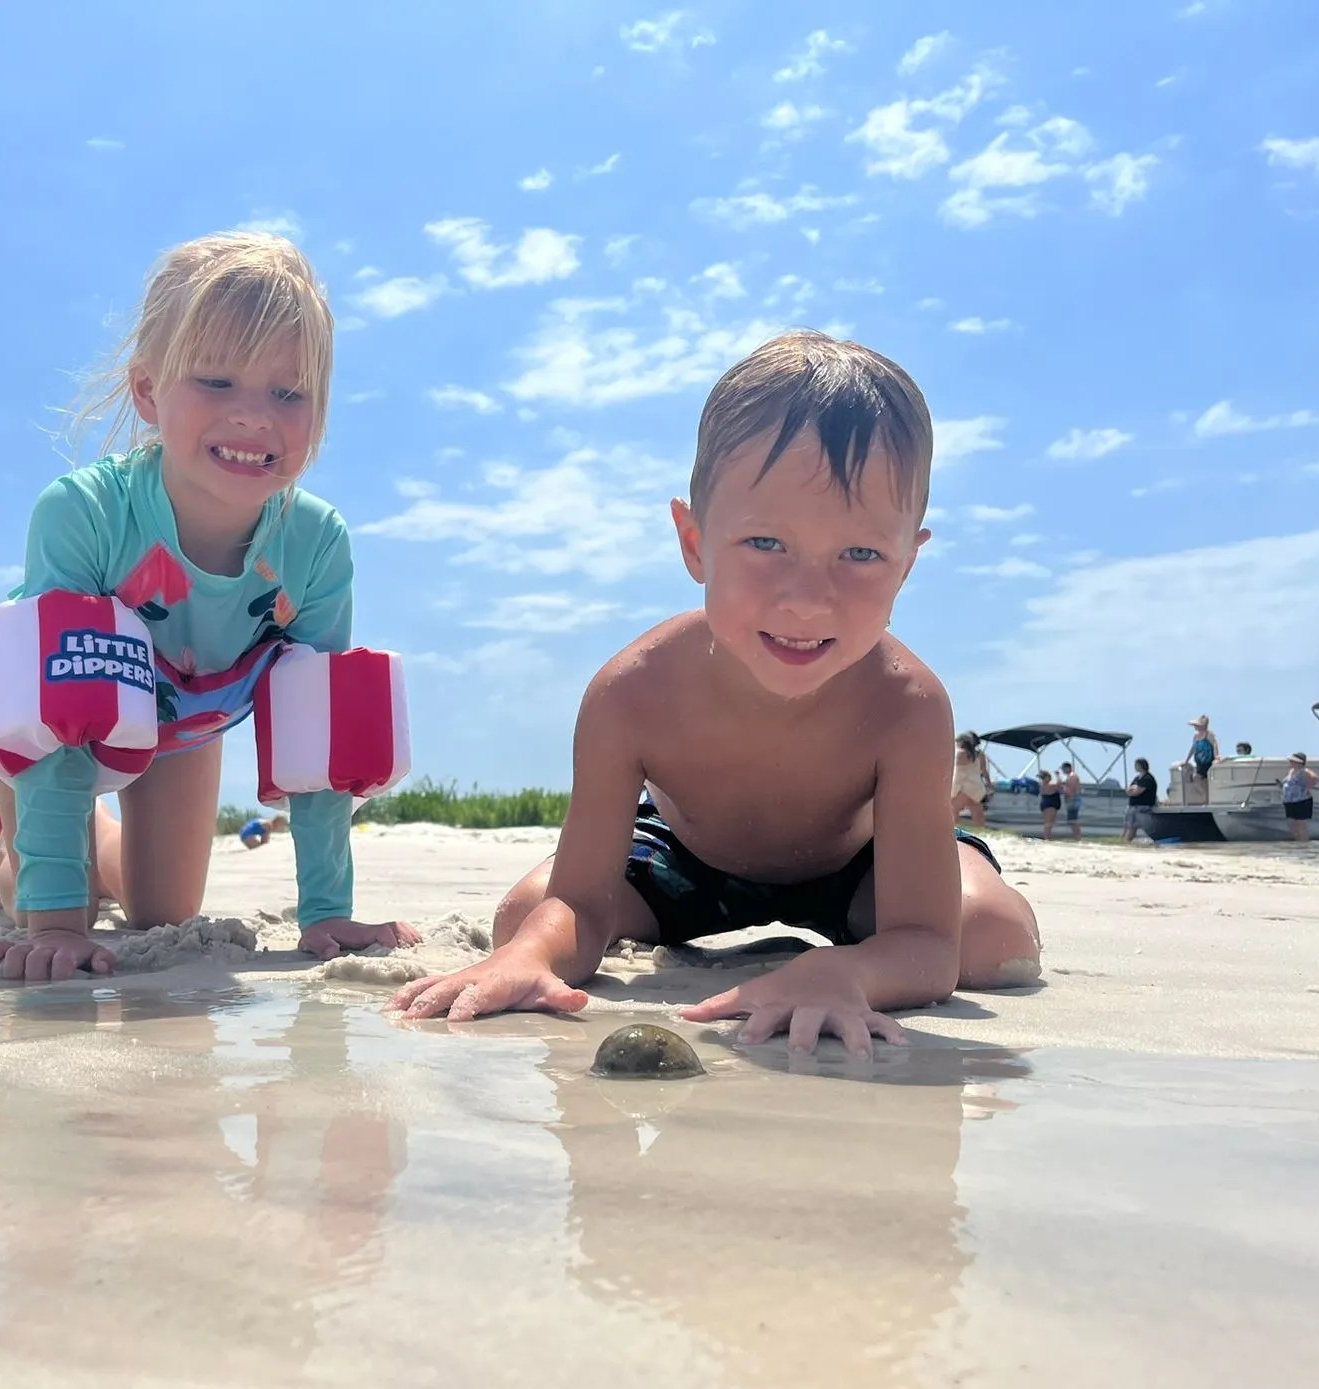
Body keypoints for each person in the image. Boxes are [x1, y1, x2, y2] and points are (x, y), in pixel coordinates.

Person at [387, 330, 1042, 1052]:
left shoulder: (908, 705)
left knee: (991, 940)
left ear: (907, 564)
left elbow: (924, 946)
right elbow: (579, 897)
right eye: (766, 545)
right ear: (695, 542)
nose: (807, 601)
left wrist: (842, 973)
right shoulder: (631, 693)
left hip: (860, 864)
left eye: (860, 554)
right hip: (687, 858)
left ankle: (962, 861)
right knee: (526, 918)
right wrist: (532, 956)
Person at [0, 230, 420, 982]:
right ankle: (12, 868)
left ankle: (92, 836)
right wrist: (55, 920)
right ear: (148, 392)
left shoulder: (316, 545)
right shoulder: (84, 515)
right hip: (60, 737)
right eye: (216, 382)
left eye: (288, 393)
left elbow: (321, 740)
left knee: (163, 913)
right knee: (50, 898)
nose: (254, 416)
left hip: (187, 726)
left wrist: (325, 912)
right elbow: (55, 707)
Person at [951, 731, 990, 827]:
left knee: (953, 813)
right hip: (976, 786)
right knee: (978, 816)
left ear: (962, 742)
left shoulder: (958, 754)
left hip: (961, 786)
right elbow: (984, 771)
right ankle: (981, 836)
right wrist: (989, 784)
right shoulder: (979, 754)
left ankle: (956, 836)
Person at [1281, 751, 1318, 842]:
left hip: (1301, 800)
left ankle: (1304, 842)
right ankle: (1298, 841)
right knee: (1291, 823)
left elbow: (1315, 778)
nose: (1290, 762)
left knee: (1300, 823)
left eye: (1292, 761)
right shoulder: (1291, 771)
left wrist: (1307, 788)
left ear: (1299, 762)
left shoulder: (1304, 771)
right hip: (1290, 801)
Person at [1120, 757, 1158, 841]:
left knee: (1133, 826)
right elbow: (1129, 789)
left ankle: (1128, 840)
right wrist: (1133, 789)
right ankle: (1123, 839)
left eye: (1136, 765)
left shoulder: (1147, 778)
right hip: (1132, 805)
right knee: (1127, 824)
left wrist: (1133, 790)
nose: (1135, 767)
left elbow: (1138, 791)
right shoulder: (1137, 778)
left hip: (1142, 806)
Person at [1185, 714, 1219, 799]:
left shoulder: (1209, 734)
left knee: (1203, 779)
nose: (1195, 727)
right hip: (1200, 762)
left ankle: (1208, 797)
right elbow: (1193, 749)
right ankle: (1205, 796)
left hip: (1209, 761)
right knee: (1195, 779)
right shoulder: (1196, 737)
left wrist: (1216, 756)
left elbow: (1214, 745)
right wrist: (1187, 760)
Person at [1059, 761, 1084, 840]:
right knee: (1071, 820)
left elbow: (1072, 789)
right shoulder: (1070, 777)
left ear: (1067, 768)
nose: (1063, 771)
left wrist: (1067, 794)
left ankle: (1077, 837)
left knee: (1073, 820)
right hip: (1072, 799)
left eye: (1063, 769)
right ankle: (1076, 836)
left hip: (1073, 799)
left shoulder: (1072, 776)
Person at [1037, 768, 1062, 840]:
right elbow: (1059, 785)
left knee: (1048, 822)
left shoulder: (1042, 785)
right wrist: (1058, 776)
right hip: (1050, 805)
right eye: (1049, 776)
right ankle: (1046, 838)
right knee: (1048, 823)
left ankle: (1047, 837)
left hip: (1046, 804)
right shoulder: (1049, 786)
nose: (1050, 778)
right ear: (1046, 778)